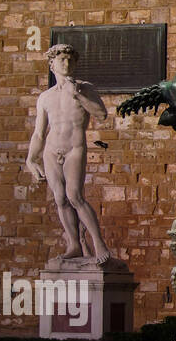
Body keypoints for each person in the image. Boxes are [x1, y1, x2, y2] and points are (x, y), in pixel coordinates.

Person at [25, 44, 112, 264]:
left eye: (70, 60)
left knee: (75, 195)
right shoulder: (45, 97)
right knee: (60, 199)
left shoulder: (85, 88)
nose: (67, 64)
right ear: (51, 64)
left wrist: (79, 96)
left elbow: (101, 114)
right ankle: (74, 243)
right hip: (52, 150)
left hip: (74, 148)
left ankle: (98, 242)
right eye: (62, 60)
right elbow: (38, 133)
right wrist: (30, 159)